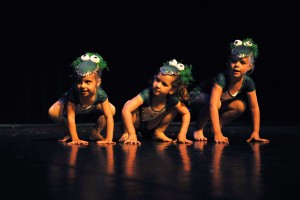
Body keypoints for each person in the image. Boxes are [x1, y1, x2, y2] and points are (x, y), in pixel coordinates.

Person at [189, 38, 269, 143]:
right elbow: (213, 105)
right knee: (216, 103)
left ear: (250, 67)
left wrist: (256, 132)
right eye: (234, 61)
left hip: (216, 103)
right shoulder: (222, 78)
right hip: (197, 97)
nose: (237, 65)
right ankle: (198, 128)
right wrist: (218, 134)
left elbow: (254, 107)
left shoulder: (248, 82)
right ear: (228, 63)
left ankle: (215, 127)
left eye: (242, 62)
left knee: (240, 106)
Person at [118, 59, 194, 145]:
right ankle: (126, 133)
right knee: (128, 104)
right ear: (154, 77)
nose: (158, 85)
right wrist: (132, 134)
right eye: (157, 80)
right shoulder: (147, 93)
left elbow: (186, 113)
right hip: (135, 125)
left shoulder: (172, 99)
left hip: (151, 126)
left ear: (172, 89)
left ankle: (159, 132)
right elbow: (126, 110)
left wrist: (182, 134)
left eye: (164, 84)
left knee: (175, 108)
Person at [48, 52, 116, 145]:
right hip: (74, 105)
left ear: (98, 82)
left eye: (88, 82)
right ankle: (69, 133)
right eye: (79, 82)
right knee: (53, 112)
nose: (82, 86)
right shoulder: (73, 92)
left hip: (92, 105)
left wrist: (109, 138)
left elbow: (109, 117)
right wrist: (75, 139)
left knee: (111, 110)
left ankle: (95, 133)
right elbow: (71, 117)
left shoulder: (101, 94)